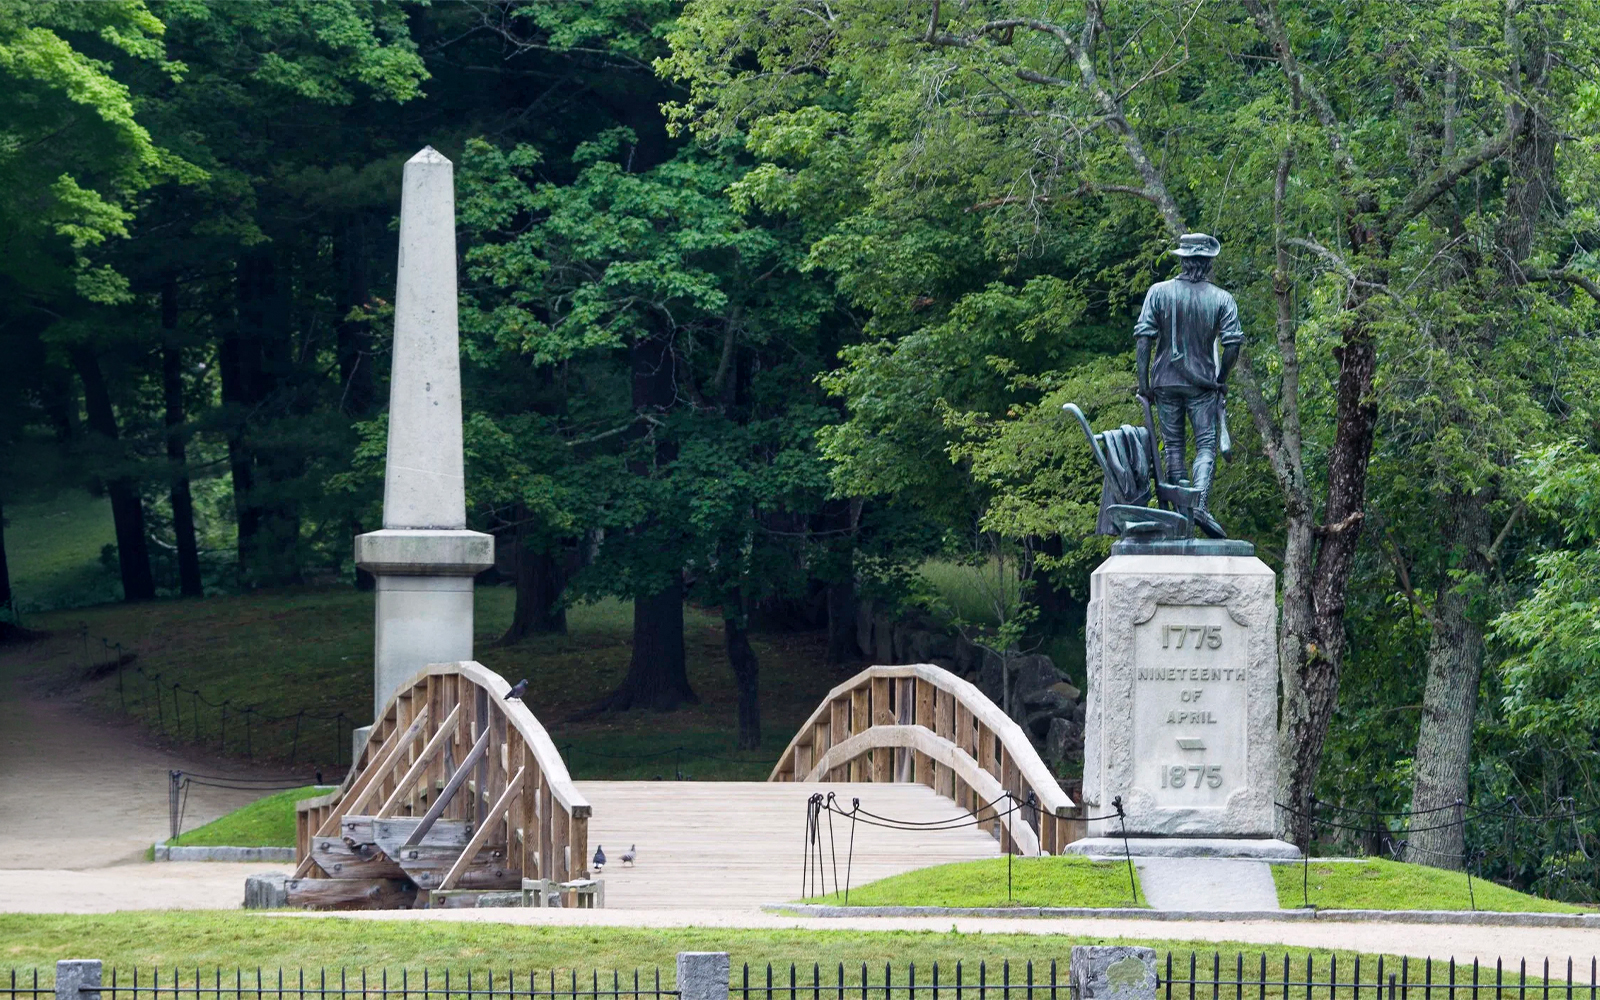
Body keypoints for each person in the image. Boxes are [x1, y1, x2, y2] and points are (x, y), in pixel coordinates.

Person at [1133, 232, 1242, 538]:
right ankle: (1199, 505)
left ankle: (1183, 519)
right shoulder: (1222, 299)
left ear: (1182, 259)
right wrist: (1221, 381)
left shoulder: (1158, 292)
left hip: (1165, 382)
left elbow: (1144, 341)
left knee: (1174, 448)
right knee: (1206, 445)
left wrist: (1144, 385)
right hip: (1202, 386)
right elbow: (1232, 345)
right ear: (1207, 263)